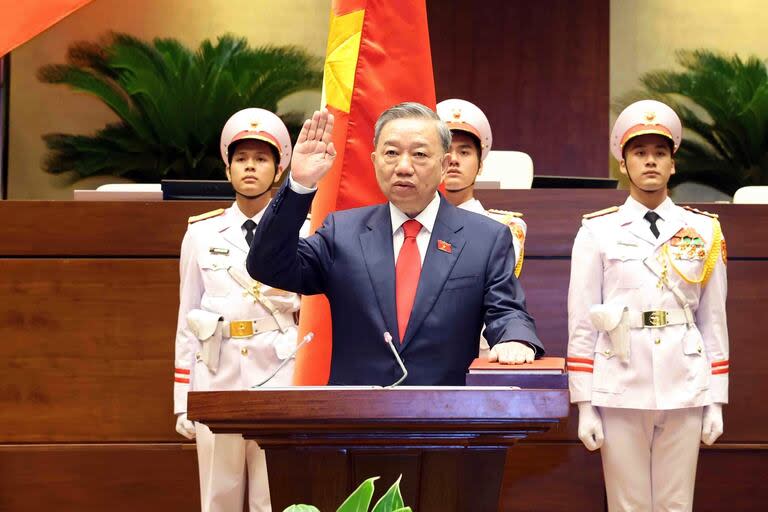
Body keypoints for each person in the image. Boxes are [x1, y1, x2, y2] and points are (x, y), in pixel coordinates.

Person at [246, 102, 543, 386]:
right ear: (375, 161)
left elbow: (506, 310)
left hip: (447, 418)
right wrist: (299, 184)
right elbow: (268, 265)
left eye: (419, 155)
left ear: (444, 165)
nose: (403, 166)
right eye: (391, 153)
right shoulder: (342, 232)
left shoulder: (485, 238)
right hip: (356, 420)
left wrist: (514, 338)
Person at [567, 99, 729, 511]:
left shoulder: (704, 230)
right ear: (623, 163)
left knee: (677, 504)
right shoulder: (597, 231)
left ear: (673, 163)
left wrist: (716, 398)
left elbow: (713, 321)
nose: (650, 162)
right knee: (627, 505)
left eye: (660, 153)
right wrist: (584, 405)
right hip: (620, 379)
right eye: (640, 153)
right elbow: (583, 323)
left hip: (685, 381)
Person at [173, 108, 302, 512]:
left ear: (279, 168)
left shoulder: (303, 229)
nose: (250, 167)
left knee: (274, 495)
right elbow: (187, 317)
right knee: (219, 496)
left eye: (261, 159)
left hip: (280, 373)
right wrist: (183, 398)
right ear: (227, 167)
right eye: (241, 159)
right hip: (217, 376)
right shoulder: (200, 232)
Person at [437, 98, 528, 360]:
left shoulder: (505, 227)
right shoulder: (411, 221)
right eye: (446, 151)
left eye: (464, 152)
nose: (453, 160)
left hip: (478, 353)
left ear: (480, 164)